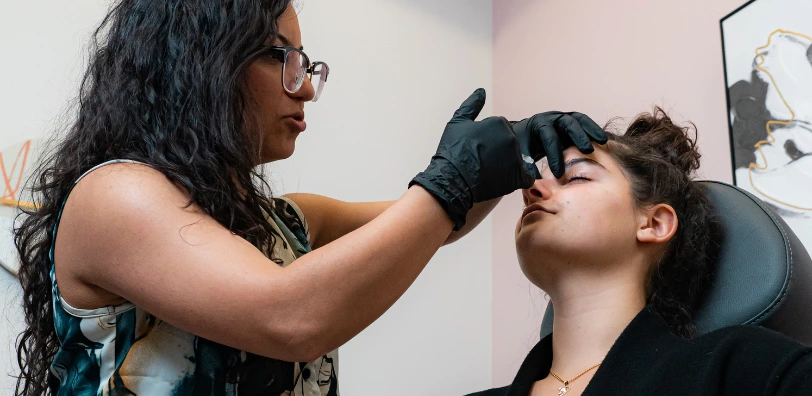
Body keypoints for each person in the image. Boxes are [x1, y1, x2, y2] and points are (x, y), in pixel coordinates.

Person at [12, 1, 607, 395]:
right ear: (204, 61)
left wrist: (512, 155)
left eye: (308, 65)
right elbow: (291, 316)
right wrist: (450, 180)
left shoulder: (291, 219)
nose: (307, 90)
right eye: (286, 59)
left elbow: (436, 225)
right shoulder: (116, 194)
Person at [470, 108, 812, 396]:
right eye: (536, 180)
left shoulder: (739, 368)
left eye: (576, 178)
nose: (531, 188)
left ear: (655, 223)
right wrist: (451, 188)